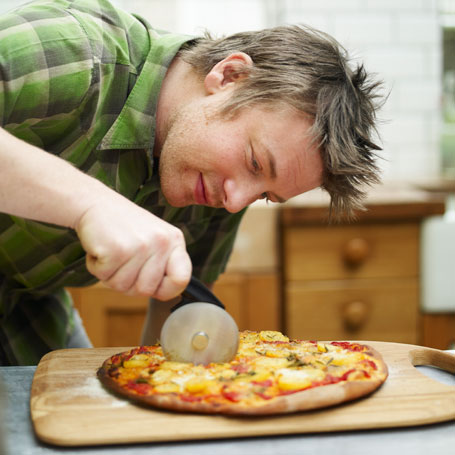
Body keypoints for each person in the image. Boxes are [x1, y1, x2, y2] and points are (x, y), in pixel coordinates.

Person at [0, 0, 383, 365]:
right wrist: (91, 204)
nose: (235, 203)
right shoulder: (74, 52)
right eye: (254, 162)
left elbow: (178, 308)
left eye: (266, 195)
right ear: (230, 75)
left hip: (26, 310)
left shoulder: (219, 189)